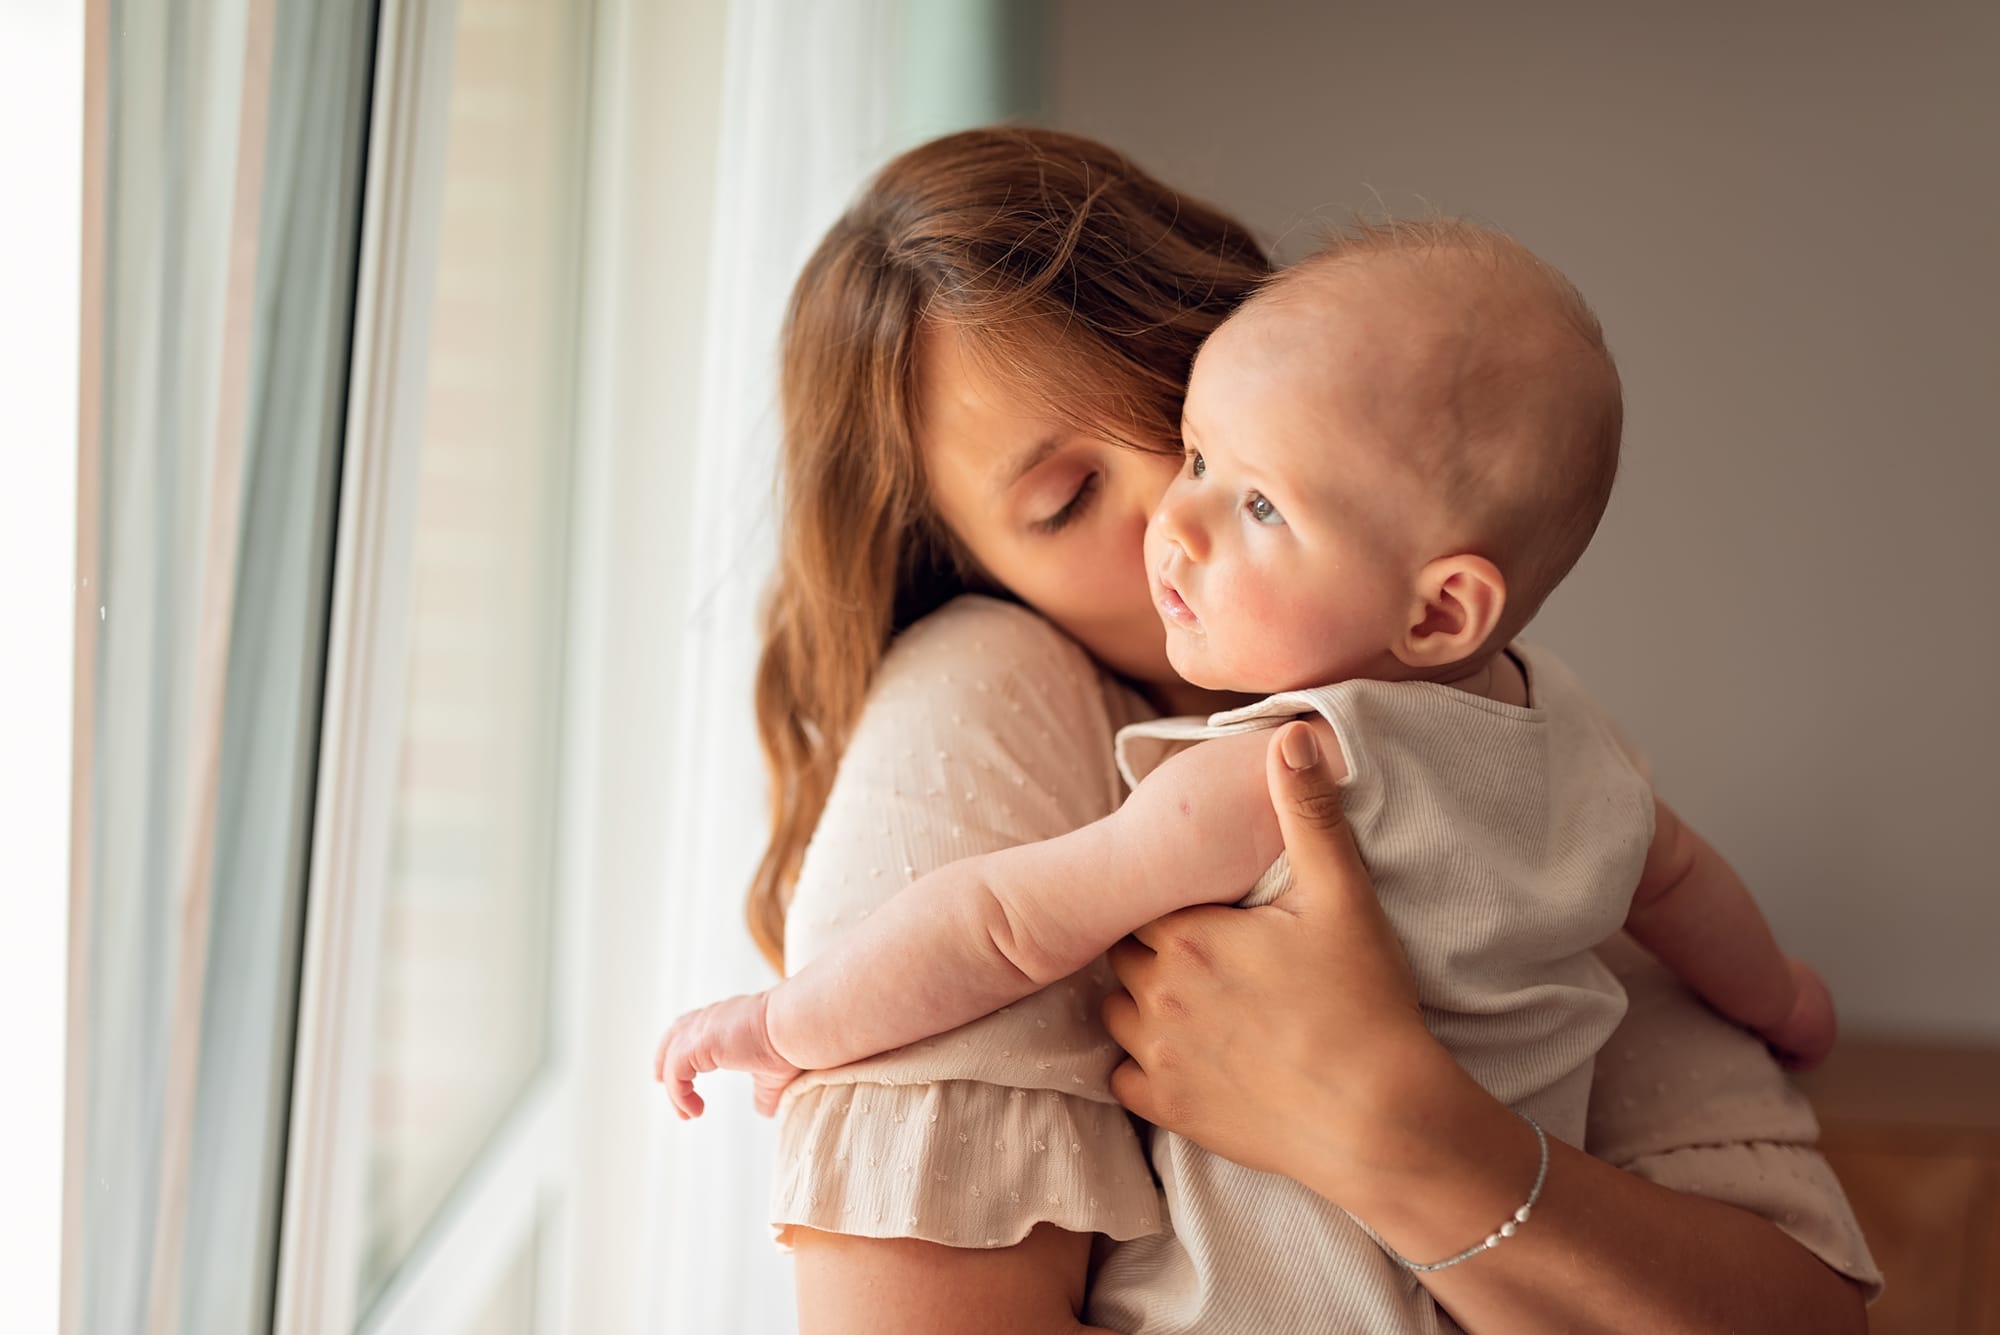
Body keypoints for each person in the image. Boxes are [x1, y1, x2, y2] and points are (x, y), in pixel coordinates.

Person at [723, 126, 1879, 1332]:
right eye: (1067, 502)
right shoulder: (997, 685)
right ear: (969, 569)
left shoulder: (1447, 731)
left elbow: (1813, 1315)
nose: (1175, 509)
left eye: (1195, 425)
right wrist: (1782, 999)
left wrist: (1399, 1130)